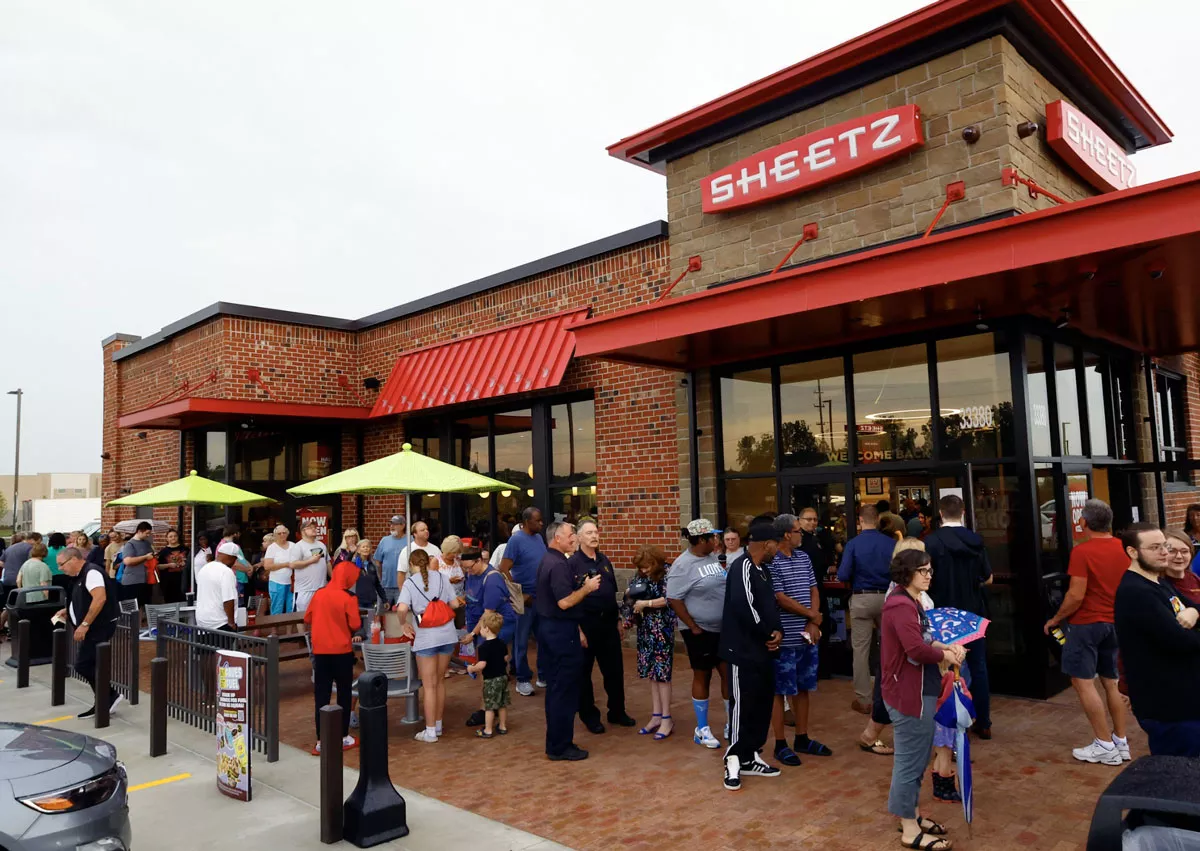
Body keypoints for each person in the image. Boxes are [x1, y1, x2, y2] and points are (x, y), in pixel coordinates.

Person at [881, 548, 964, 850]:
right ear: (907, 573)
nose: (929, 575)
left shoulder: (910, 602)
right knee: (909, 761)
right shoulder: (901, 606)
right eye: (923, 571)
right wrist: (945, 653)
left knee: (915, 759)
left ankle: (912, 815)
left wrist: (947, 647)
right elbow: (915, 649)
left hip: (917, 689)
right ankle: (908, 828)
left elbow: (924, 639)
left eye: (930, 570)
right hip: (908, 693)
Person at [1043, 498, 1129, 765]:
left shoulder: (1082, 552)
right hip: (1115, 622)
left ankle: (1103, 743)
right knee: (1110, 681)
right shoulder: (1125, 549)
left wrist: (1056, 618)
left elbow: (1076, 595)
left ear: (1083, 522)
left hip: (1087, 624)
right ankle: (1120, 741)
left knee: (1082, 681)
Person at [1114, 523, 1200, 757]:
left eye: (1164, 545)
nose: (1165, 552)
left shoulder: (1158, 582)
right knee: (1180, 779)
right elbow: (1181, 642)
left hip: (1185, 703)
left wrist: (1195, 613)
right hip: (1169, 709)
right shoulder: (1136, 592)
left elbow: (1193, 608)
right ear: (1133, 552)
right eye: (1155, 547)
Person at [720, 519, 785, 791]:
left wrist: (778, 630)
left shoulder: (764, 570)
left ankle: (750, 755)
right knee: (742, 703)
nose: (778, 550)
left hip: (763, 651)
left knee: (761, 703)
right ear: (766, 543)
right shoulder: (742, 567)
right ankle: (733, 758)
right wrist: (766, 634)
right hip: (742, 651)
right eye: (775, 544)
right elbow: (744, 606)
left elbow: (770, 605)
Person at [924, 494, 993, 739]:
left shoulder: (931, 542)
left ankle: (952, 722)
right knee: (979, 666)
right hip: (972, 612)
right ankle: (983, 721)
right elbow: (988, 577)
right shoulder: (976, 541)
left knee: (946, 668)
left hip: (941, 613)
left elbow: (925, 579)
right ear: (962, 512)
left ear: (940, 514)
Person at [767, 513, 830, 767]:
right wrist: (811, 615)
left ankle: (802, 737)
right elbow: (780, 597)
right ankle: (780, 743)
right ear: (786, 534)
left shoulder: (804, 557)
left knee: (804, 688)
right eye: (797, 531)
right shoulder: (773, 563)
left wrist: (812, 621)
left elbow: (813, 588)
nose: (800, 535)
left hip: (806, 635)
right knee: (780, 690)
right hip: (785, 636)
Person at [536, 520, 598, 761]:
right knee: (564, 690)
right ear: (557, 538)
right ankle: (560, 746)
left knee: (556, 688)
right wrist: (587, 588)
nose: (574, 538)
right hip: (560, 633)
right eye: (571, 534)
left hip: (551, 630)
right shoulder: (558, 564)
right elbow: (564, 602)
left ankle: (556, 743)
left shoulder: (548, 560)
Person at [667, 519, 731, 749]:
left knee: (727, 673)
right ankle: (702, 729)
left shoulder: (713, 559)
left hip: (722, 629)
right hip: (699, 630)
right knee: (703, 674)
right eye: (713, 537)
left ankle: (730, 723)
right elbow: (674, 598)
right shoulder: (682, 565)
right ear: (701, 540)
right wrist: (693, 626)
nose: (717, 540)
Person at [571, 519, 635, 733]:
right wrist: (578, 629)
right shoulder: (572, 564)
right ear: (579, 537)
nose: (594, 536)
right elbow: (570, 599)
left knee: (614, 670)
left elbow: (613, 592)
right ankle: (590, 716)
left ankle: (617, 711)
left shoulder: (604, 560)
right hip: (586, 624)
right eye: (589, 532)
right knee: (584, 673)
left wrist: (618, 619)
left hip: (608, 622)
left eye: (596, 532)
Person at [396, 549, 462, 743]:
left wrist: (404, 624)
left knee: (429, 685)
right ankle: (438, 725)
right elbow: (455, 605)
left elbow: (401, 609)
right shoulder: (442, 578)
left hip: (425, 637)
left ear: (411, 565)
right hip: (447, 635)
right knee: (440, 682)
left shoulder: (409, 583)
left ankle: (430, 731)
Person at [839, 504, 897, 714]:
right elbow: (899, 572)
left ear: (861, 520)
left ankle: (864, 699)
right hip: (888, 598)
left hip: (862, 597)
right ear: (878, 518)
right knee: (890, 648)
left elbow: (843, 574)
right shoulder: (891, 543)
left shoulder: (854, 544)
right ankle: (890, 693)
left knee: (861, 651)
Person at [55, 546, 123, 718]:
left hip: (99, 626)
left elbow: (100, 598)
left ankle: (109, 696)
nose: (60, 568)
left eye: (62, 564)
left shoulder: (91, 572)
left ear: (74, 560)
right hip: (93, 626)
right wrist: (67, 610)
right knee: (90, 663)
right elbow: (82, 597)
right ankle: (104, 699)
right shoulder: (80, 575)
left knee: (83, 664)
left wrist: (84, 624)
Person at [305, 559, 363, 754]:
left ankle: (321, 740)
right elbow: (355, 624)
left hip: (320, 651)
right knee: (344, 694)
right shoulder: (349, 597)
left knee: (321, 695)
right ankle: (343, 735)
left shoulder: (319, 594)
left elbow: (308, 618)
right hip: (342, 650)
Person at [622, 545, 676, 739]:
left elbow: (671, 598)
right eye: (641, 567)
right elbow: (630, 599)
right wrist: (630, 597)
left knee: (662, 675)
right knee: (653, 675)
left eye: (647, 566)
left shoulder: (668, 572)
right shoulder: (640, 576)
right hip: (646, 630)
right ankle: (656, 715)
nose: (644, 570)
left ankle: (667, 718)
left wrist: (647, 603)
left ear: (655, 561)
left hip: (662, 630)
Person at [462, 545, 517, 728]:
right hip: (479, 624)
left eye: (470, 567)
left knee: (489, 668)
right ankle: (488, 707)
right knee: (488, 668)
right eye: (465, 568)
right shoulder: (471, 574)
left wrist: (472, 634)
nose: (468, 571)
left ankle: (487, 709)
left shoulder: (492, 580)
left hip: (495, 626)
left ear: (480, 560)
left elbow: (488, 614)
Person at [500, 507, 547, 696]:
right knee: (521, 640)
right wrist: (518, 596)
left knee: (543, 638)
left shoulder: (538, 538)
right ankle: (522, 679)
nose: (541, 523)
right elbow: (503, 568)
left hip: (541, 597)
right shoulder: (516, 540)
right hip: (525, 598)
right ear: (527, 521)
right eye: (538, 520)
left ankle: (543, 675)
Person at [467, 611, 511, 738]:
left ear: (486, 629)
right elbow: (506, 658)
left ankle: (488, 729)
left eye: (481, 627)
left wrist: (472, 668)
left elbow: (482, 664)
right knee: (502, 704)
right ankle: (502, 726)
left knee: (490, 706)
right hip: (502, 677)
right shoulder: (502, 643)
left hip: (491, 680)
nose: (480, 630)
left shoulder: (483, 647)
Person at [196, 541, 239, 631]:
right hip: (220, 622)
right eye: (235, 559)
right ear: (230, 557)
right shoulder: (226, 571)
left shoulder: (205, 568)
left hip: (202, 621)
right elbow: (228, 599)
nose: (235, 562)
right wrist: (231, 622)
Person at [292, 519, 330, 614]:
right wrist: (310, 561)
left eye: (314, 527)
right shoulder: (298, 546)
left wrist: (333, 579)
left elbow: (327, 562)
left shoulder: (321, 545)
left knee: (321, 614)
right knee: (301, 616)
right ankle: (303, 630)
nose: (314, 529)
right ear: (303, 531)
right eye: (310, 528)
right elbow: (293, 564)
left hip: (321, 587)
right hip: (304, 589)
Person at [373, 516, 409, 606]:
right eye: (391, 524)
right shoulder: (384, 540)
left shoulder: (410, 540)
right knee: (381, 614)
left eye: (395, 524)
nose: (392, 526)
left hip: (403, 586)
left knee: (402, 614)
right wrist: (380, 579)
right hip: (385, 586)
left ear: (403, 525)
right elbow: (377, 562)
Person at [120, 521, 156, 610]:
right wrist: (145, 557)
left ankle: (141, 623)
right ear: (139, 531)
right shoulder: (129, 544)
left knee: (143, 605)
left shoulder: (147, 543)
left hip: (146, 579)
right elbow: (127, 561)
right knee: (133, 607)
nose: (148, 535)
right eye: (146, 533)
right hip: (132, 580)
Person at [1, 532, 31, 636]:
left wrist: (9, 566)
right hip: (20, 580)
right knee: (20, 606)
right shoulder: (28, 547)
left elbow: (1, 562)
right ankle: (15, 630)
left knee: (8, 606)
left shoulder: (9, 548)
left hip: (7, 579)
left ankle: (5, 629)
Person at [263, 525, 297, 614]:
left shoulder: (293, 546)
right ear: (275, 535)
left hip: (291, 582)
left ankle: (289, 628)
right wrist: (285, 564)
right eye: (279, 533)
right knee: (277, 608)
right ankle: (274, 628)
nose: (282, 535)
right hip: (276, 582)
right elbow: (267, 566)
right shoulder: (272, 548)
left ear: (287, 533)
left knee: (291, 608)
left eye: (284, 533)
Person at [1164, 530, 1200, 606]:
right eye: (1172, 551)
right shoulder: (1158, 583)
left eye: (1184, 551)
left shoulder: (1194, 578)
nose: (1179, 556)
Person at [156, 528, 189, 604]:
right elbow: (158, 566)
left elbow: (191, 563)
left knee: (183, 601)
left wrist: (185, 563)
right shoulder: (163, 552)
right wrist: (169, 565)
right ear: (167, 539)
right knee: (170, 602)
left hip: (183, 580)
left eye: (175, 536)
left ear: (178, 537)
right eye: (170, 536)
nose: (173, 538)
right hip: (168, 582)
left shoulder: (185, 549)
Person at [350, 538, 383, 613]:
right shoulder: (354, 564)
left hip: (371, 601)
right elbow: (345, 564)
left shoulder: (373, 565)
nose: (366, 549)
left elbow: (377, 584)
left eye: (367, 547)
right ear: (358, 550)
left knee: (370, 623)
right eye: (363, 547)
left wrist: (384, 599)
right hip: (358, 600)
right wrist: (351, 553)